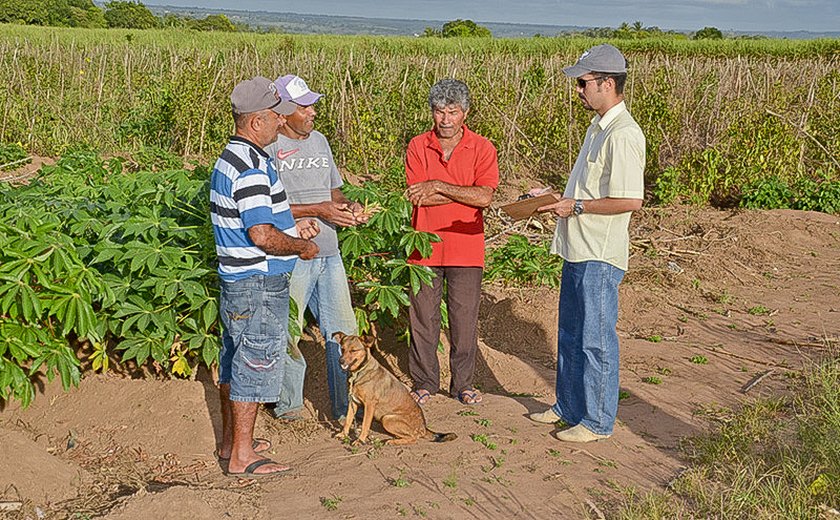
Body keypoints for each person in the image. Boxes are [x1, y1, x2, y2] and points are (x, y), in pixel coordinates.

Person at [528, 44, 646, 443]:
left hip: (600, 252)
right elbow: (590, 188)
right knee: (571, 334)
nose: (578, 90)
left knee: (596, 340)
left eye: (583, 82)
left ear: (607, 83)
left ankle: (597, 421)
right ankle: (569, 407)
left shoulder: (624, 134)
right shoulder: (597, 128)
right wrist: (552, 195)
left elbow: (631, 199)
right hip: (577, 247)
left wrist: (575, 205)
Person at [211, 76, 320, 476]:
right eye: (275, 116)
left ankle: (231, 444)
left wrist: (293, 229)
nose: (281, 121)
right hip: (257, 281)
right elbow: (261, 235)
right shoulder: (253, 165)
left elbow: (258, 222)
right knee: (254, 365)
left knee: (236, 359)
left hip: (237, 279)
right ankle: (242, 457)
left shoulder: (230, 156)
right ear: (256, 121)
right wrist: (302, 247)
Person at [264, 75, 369, 422]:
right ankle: (289, 408)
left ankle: (344, 408)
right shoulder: (267, 148)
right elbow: (264, 210)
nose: (312, 112)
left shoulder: (320, 141)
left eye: (312, 105)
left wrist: (346, 207)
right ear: (283, 111)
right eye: (304, 106)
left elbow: (334, 192)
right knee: (289, 329)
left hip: (328, 252)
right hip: (291, 253)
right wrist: (318, 210)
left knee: (343, 330)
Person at [405, 79, 499, 407]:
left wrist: (437, 185)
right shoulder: (418, 145)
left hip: (466, 247)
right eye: (439, 111)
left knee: (464, 319)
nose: (445, 119)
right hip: (424, 247)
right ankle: (425, 382)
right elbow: (417, 198)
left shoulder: (483, 148)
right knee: (423, 318)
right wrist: (462, 193)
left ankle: (464, 384)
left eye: (452, 112)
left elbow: (484, 197)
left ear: (465, 113)